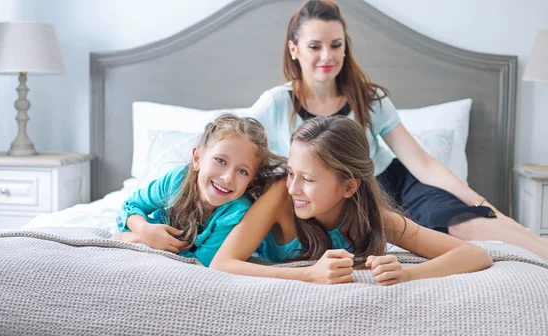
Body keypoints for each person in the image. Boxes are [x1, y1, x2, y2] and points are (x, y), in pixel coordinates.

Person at [248, 0, 548, 258]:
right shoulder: (274, 104)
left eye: (336, 45)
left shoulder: (368, 98)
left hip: (393, 184)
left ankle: (536, 246)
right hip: (334, 197)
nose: (327, 55)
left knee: (466, 223)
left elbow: (423, 164)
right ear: (294, 49)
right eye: (315, 46)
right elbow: (234, 154)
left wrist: (483, 203)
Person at [210, 116, 493, 285]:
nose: (293, 187)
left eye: (308, 179)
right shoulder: (280, 195)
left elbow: (475, 254)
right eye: (292, 173)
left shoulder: (371, 219)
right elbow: (222, 263)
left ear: (349, 187)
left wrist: (408, 274)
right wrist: (309, 275)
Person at [114, 114, 285, 267]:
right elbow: (132, 204)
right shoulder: (177, 179)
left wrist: (143, 240)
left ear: (250, 181)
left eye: (242, 171)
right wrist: (145, 230)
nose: (227, 178)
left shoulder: (236, 211)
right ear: (197, 159)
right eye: (220, 160)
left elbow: (201, 263)